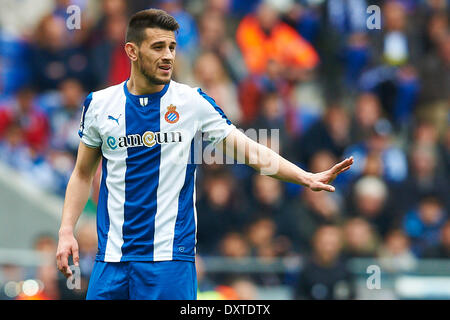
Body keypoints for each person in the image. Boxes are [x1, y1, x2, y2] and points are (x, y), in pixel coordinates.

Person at [56, 9, 354, 300]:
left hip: (169, 260)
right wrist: (67, 230)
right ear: (132, 51)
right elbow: (82, 173)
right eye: (158, 47)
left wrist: (305, 176)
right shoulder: (98, 104)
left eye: (172, 46)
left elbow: (250, 151)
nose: (168, 55)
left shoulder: (191, 102)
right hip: (111, 260)